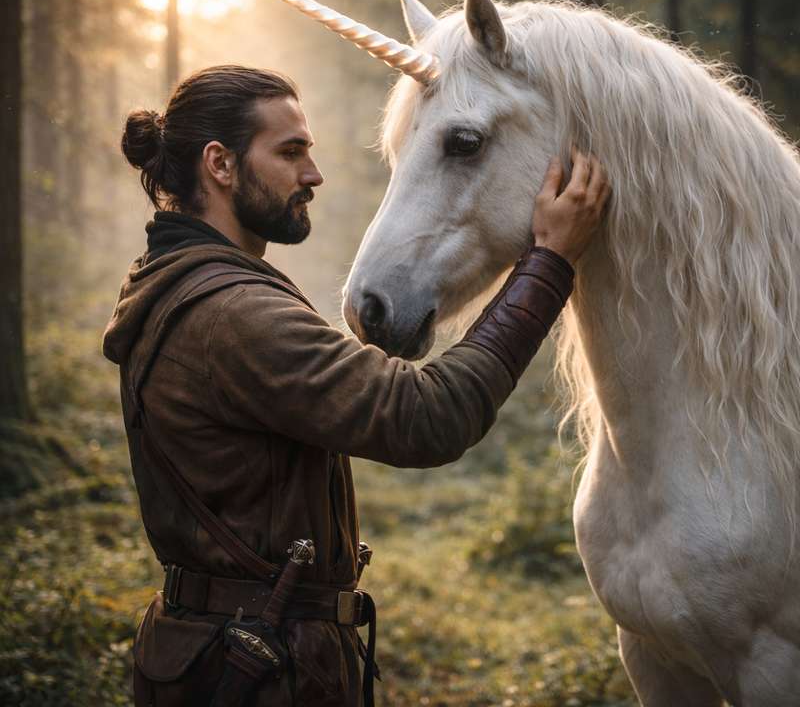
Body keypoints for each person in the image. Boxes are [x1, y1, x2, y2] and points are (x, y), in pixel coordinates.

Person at [102, 64, 609, 707]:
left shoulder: (180, 284)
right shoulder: (233, 316)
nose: (312, 175)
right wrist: (548, 264)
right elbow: (427, 416)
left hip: (228, 656)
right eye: (290, 153)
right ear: (220, 165)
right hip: (258, 673)